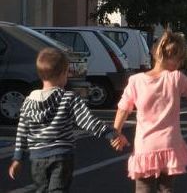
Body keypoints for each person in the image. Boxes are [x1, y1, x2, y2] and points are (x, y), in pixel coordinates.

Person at [8, 47, 127, 192]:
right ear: (63, 73)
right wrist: (111, 133)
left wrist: (18, 158)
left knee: (42, 189)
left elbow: (22, 132)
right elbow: (87, 121)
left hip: (37, 158)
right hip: (61, 156)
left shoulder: (28, 101)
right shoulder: (68, 98)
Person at [113, 31, 187, 193]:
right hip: (170, 145)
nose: (180, 63)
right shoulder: (176, 78)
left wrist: (117, 133)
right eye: (180, 59)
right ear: (176, 58)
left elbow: (123, 109)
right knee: (166, 189)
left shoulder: (136, 81)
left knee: (144, 189)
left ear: (156, 54)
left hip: (145, 147)